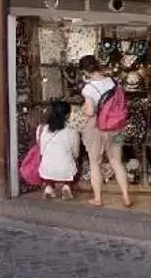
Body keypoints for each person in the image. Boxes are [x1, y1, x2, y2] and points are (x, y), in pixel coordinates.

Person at [77, 53, 133, 209]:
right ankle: (126, 197)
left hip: (97, 128)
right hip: (117, 127)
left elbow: (90, 111)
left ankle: (98, 198)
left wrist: (83, 109)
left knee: (95, 162)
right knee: (117, 162)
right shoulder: (112, 81)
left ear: (85, 71)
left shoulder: (89, 88)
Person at [36, 99, 80, 200]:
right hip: (66, 171)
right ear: (67, 115)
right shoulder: (72, 132)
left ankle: (49, 187)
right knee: (76, 161)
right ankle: (67, 186)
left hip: (46, 170)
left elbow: (41, 151)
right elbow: (76, 153)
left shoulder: (41, 129)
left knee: (48, 159)